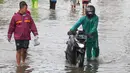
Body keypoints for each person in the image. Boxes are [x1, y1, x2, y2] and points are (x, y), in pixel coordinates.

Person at [7, 1, 39, 66]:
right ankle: (18, 64)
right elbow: (11, 27)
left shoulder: (28, 16)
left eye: (26, 8)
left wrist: (36, 34)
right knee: (18, 50)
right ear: (21, 8)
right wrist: (9, 35)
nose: (26, 9)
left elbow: (32, 25)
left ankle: (23, 62)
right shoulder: (15, 17)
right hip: (18, 37)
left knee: (24, 50)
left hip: (26, 37)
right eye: (25, 8)